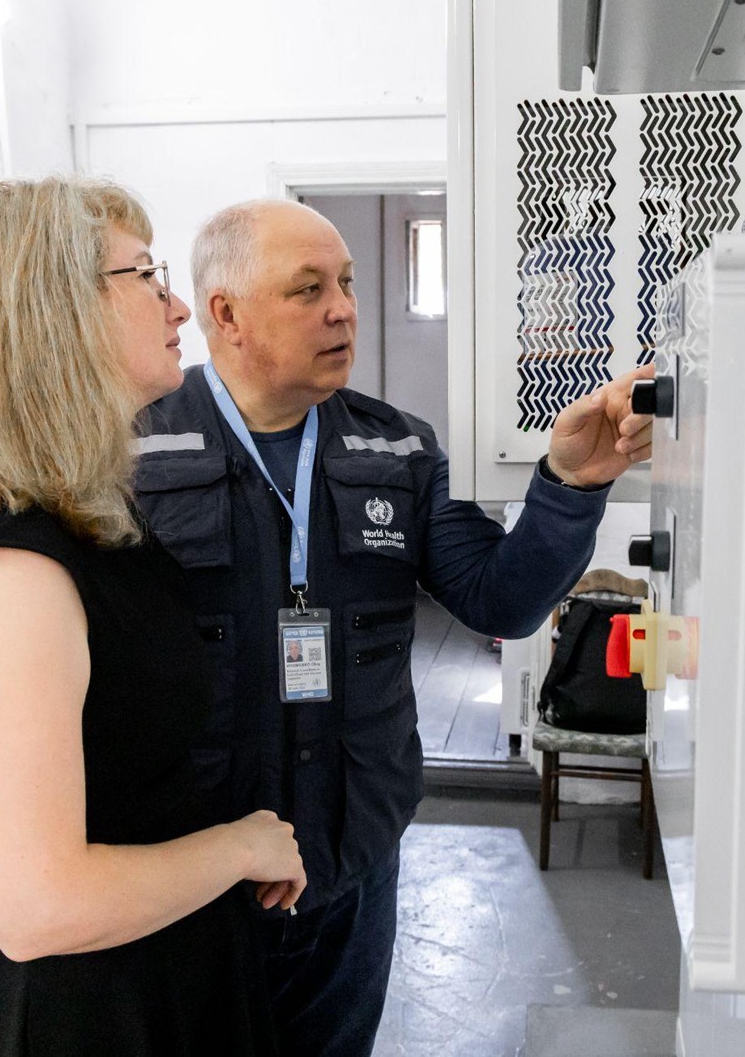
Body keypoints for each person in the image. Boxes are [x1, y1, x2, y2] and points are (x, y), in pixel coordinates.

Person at [134, 198, 654, 1056]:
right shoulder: (134, 451)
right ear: (224, 313)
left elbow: (500, 599)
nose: (343, 308)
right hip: (191, 889)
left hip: (352, 875)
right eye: (309, 289)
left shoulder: (396, 449)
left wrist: (567, 484)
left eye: (345, 283)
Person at [0, 178, 303, 1056]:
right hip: (86, 1016)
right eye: (148, 276)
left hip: (161, 981)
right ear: (56, 312)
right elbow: (36, 905)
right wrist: (239, 847)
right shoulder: (5, 567)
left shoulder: (92, 526)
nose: (179, 304)